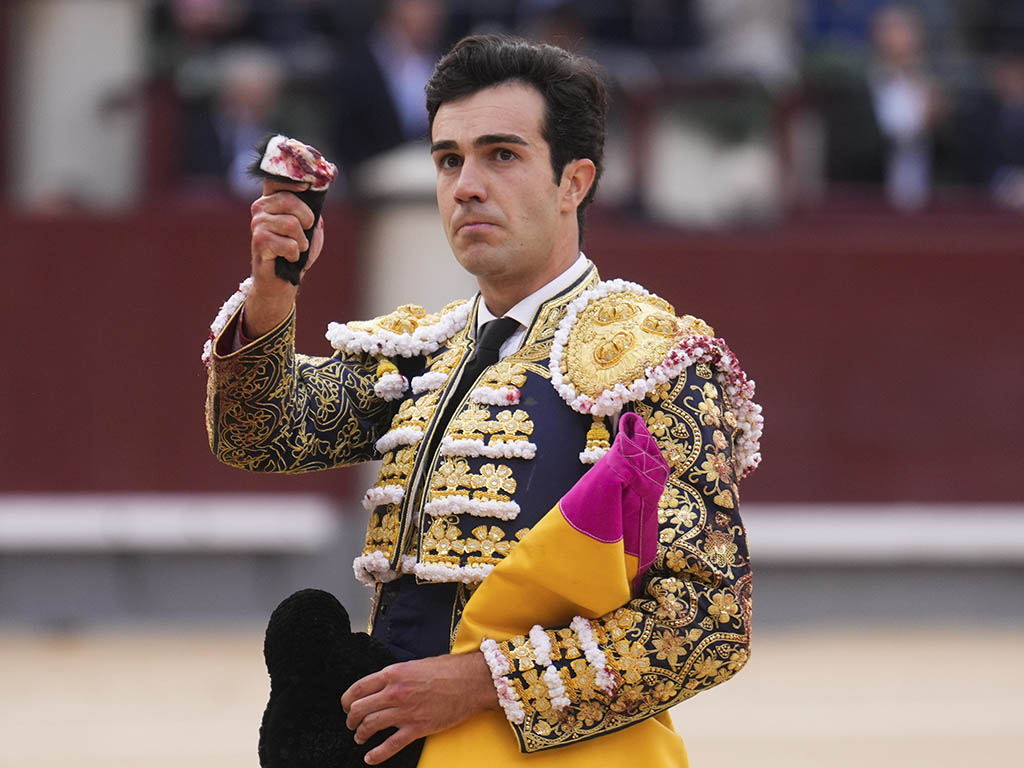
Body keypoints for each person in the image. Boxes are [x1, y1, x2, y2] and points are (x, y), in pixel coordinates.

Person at [204, 35, 762, 766]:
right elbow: (261, 433)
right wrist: (274, 295)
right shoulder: (423, 353)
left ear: (574, 182)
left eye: (502, 155)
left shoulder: (650, 360)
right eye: (448, 160)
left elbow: (707, 622)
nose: (467, 184)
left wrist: (481, 684)